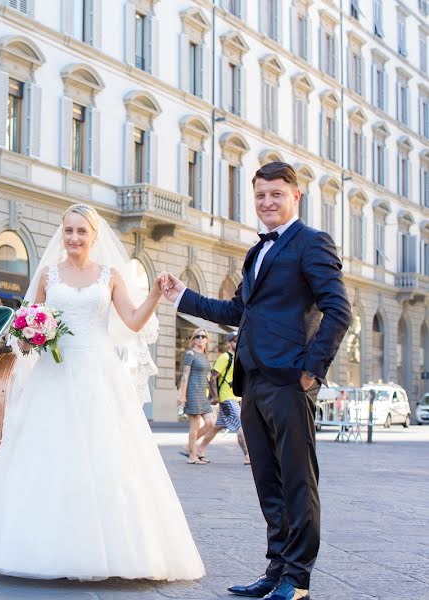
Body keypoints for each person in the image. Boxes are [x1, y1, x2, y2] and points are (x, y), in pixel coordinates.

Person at [0, 204, 204, 581]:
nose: (73, 238)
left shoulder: (111, 276)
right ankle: (37, 546)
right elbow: (26, 323)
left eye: (81, 232)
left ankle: (111, 550)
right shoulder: (48, 276)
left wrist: (153, 294)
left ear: (94, 236)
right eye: (68, 230)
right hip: (55, 373)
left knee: (106, 455)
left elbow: (133, 321)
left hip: (99, 373)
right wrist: (30, 334)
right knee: (49, 453)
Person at [160, 162, 351, 600]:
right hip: (254, 380)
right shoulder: (257, 251)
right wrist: (180, 297)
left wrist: (311, 371)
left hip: (290, 382)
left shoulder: (312, 243)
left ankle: (297, 579)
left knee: (297, 480)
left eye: (276, 195)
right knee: (268, 480)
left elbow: (339, 311)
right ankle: (276, 568)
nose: (267, 202)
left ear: (295, 196)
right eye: (261, 195)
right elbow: (235, 313)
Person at [196, 332, 250, 465]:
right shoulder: (225, 357)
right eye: (234, 340)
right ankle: (248, 456)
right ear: (228, 343)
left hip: (235, 398)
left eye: (239, 340)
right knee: (242, 427)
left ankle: (199, 449)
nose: (237, 343)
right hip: (227, 399)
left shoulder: (238, 357)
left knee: (217, 427)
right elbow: (212, 376)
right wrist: (215, 396)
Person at [177, 328, 214, 465]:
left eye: (203, 336)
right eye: (197, 336)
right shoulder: (190, 353)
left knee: (210, 422)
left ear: (207, 339)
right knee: (195, 424)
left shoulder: (204, 355)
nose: (200, 339)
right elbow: (185, 375)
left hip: (202, 394)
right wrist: (182, 395)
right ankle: (192, 456)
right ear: (193, 339)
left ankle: (189, 446)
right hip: (192, 391)